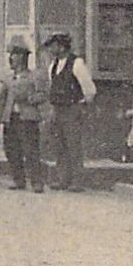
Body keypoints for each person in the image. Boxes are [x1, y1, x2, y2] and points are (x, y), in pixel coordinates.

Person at [41, 31, 98, 192]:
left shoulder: (77, 63)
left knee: (73, 146)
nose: (51, 49)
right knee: (59, 146)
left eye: (53, 46)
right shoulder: (53, 66)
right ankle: (62, 179)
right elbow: (53, 87)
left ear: (61, 46)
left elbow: (90, 90)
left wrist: (80, 107)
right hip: (57, 110)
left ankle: (77, 181)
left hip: (72, 110)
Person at [0, 37, 48, 192]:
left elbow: (43, 95)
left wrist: (31, 99)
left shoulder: (34, 77)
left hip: (27, 119)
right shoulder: (8, 79)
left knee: (31, 151)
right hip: (10, 119)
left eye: (14, 55)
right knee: (11, 151)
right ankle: (18, 180)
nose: (11, 59)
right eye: (10, 55)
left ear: (22, 57)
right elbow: (1, 101)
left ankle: (36, 182)